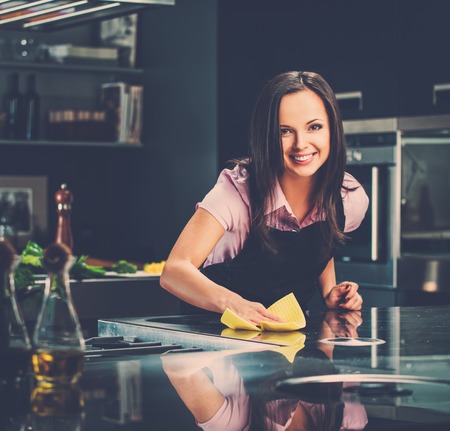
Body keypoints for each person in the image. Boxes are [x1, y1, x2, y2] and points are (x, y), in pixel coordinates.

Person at [160, 71, 369, 325]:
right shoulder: (236, 193)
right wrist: (234, 304)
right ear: (266, 136)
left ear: (332, 129)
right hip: (213, 336)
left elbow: (318, 241)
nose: (301, 144)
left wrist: (329, 292)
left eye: (314, 127)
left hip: (284, 344)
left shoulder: (347, 195)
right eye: (284, 131)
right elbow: (174, 271)